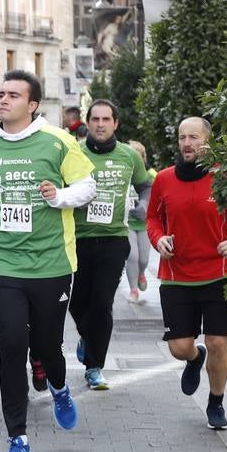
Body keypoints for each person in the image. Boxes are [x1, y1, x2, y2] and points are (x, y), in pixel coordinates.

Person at [0, 70, 96, 452]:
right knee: (12, 346)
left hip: (51, 262)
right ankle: (17, 438)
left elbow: (88, 187)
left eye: (13, 95)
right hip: (1, 262)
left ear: (33, 104)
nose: (3, 100)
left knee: (48, 346)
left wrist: (59, 197)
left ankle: (59, 387)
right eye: (0, 94)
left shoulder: (58, 141)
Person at [146, 116, 227, 429]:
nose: (187, 143)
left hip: (218, 272)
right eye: (183, 137)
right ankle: (194, 358)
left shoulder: (225, 176)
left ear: (207, 141)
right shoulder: (164, 179)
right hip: (176, 274)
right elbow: (152, 219)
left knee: (218, 343)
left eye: (194, 137)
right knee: (179, 347)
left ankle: (216, 401)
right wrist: (159, 239)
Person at [67, 99, 151, 390]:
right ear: (87, 123)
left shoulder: (129, 155)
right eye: (95, 119)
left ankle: (94, 366)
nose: (100, 124)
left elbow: (145, 185)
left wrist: (144, 204)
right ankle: (87, 337)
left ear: (116, 123)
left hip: (114, 239)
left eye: (106, 119)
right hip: (76, 239)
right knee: (76, 303)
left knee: (102, 303)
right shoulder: (73, 153)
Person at [125, 139, 155, 304]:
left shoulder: (151, 176)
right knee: (132, 256)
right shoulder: (122, 173)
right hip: (127, 223)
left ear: (143, 158)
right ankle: (133, 290)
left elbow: (158, 198)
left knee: (143, 259)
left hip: (144, 224)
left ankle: (141, 273)